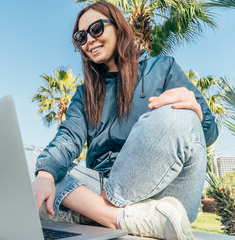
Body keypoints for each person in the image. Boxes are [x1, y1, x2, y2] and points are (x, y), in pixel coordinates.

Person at [32, 2, 218, 239]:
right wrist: (46, 175)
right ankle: (121, 218)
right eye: (81, 36)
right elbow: (68, 137)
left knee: (179, 114)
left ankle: (92, 212)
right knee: (29, 159)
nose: (89, 40)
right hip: (101, 184)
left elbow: (209, 134)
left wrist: (196, 113)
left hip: (165, 193)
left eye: (96, 29)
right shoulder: (84, 93)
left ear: (119, 27)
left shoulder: (163, 68)